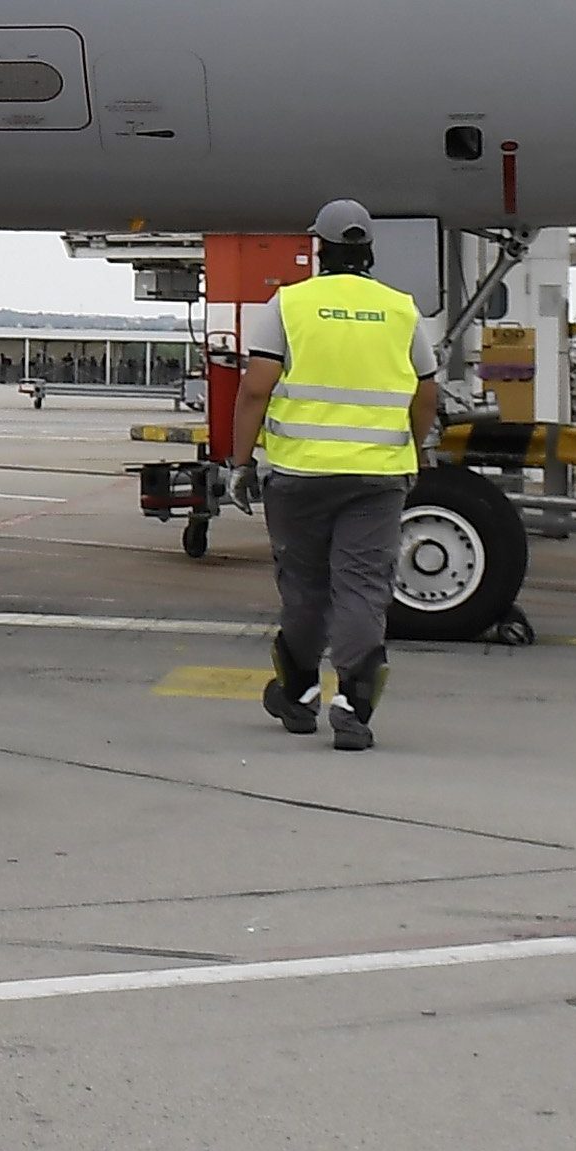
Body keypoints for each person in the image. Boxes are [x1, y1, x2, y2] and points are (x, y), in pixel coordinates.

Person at [256, 197, 444, 754]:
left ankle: (297, 693)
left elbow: (254, 386)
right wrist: (416, 446)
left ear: (320, 248)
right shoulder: (401, 309)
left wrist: (240, 460)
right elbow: (426, 389)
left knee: (304, 585)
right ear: (369, 251)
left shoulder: (288, 305)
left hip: (299, 475)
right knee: (361, 588)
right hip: (378, 477)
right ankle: (354, 707)